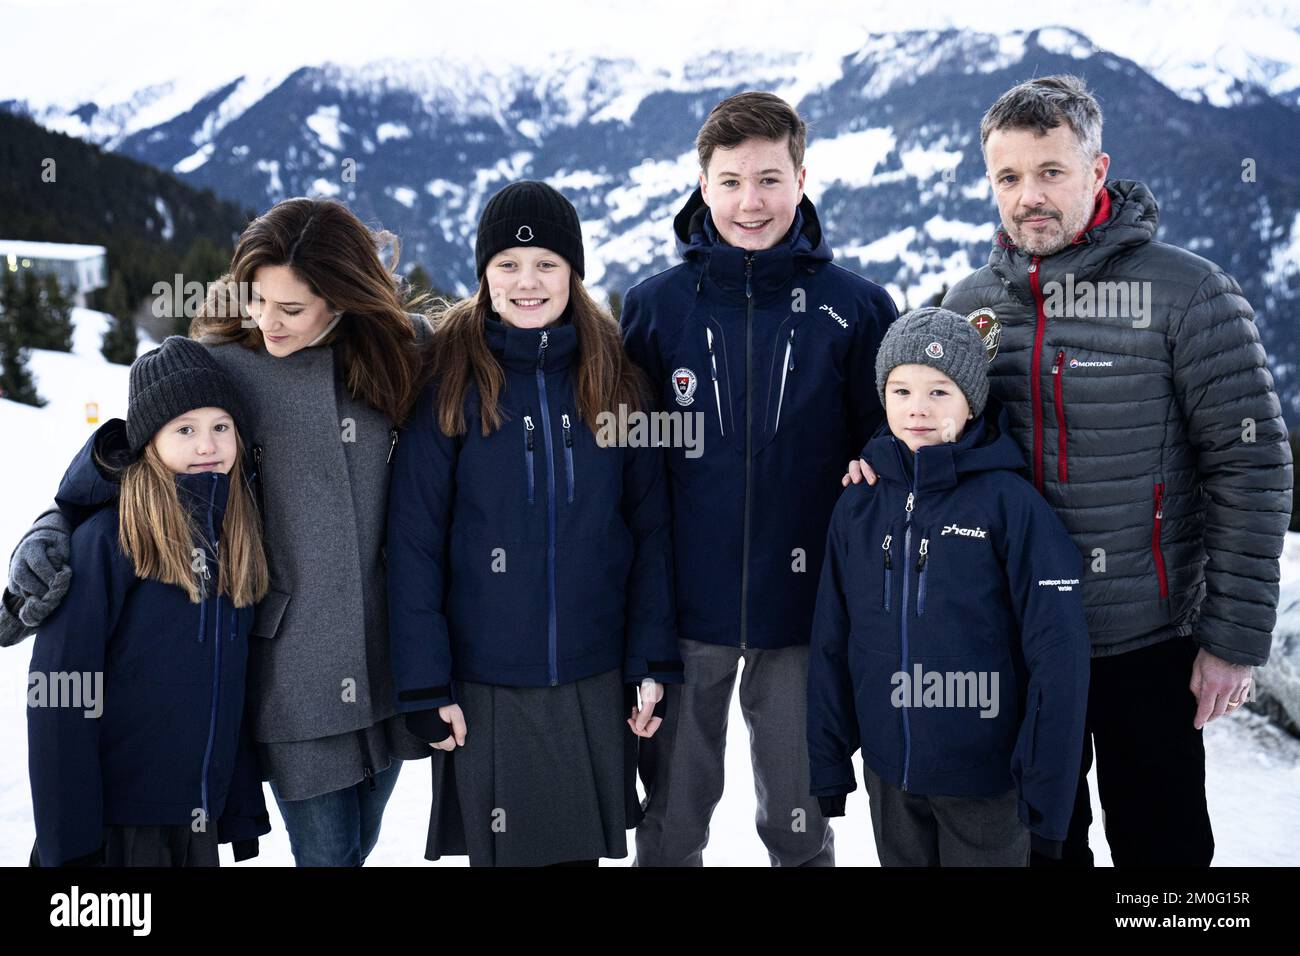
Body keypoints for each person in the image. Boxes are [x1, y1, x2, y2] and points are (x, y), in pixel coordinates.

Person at [845, 75, 1292, 866]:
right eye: (1009, 177)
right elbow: (941, 434)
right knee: (1044, 843)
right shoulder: (975, 305)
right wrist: (879, 469)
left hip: (1144, 641)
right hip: (1011, 638)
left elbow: (1252, 465)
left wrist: (1232, 639)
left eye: (1051, 171)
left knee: (1163, 849)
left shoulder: (1187, 294)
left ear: (1097, 169)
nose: (1030, 197)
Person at [6, 198, 434, 866]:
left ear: (344, 299)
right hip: (291, 672)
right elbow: (136, 453)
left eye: (291, 309)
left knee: (362, 845)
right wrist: (51, 525)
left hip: (388, 661)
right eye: (258, 300)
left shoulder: (401, 352)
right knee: (331, 859)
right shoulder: (227, 363)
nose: (268, 322)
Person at [620, 91, 898, 866]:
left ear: (802, 180)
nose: (752, 201)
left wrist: (875, 459)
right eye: (733, 181)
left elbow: (891, 433)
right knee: (671, 823)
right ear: (702, 185)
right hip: (684, 613)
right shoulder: (653, 310)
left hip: (803, 616)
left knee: (800, 824)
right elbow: (628, 468)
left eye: (771, 179)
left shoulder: (857, 308)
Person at [387, 180, 683, 867]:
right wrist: (427, 684)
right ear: (484, 274)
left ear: (573, 273)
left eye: (547, 264)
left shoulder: (616, 378)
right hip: (487, 683)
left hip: (594, 673)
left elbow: (648, 532)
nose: (528, 282)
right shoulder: (447, 382)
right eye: (508, 266)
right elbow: (413, 546)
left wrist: (648, 660)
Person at [808, 308, 1090, 866]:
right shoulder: (859, 504)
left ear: (972, 401)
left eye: (940, 391)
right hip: (891, 772)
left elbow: (1059, 656)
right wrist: (829, 760)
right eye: (901, 389)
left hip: (985, 780)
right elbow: (831, 640)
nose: (918, 408)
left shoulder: (1010, 506)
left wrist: (1048, 795)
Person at [27, 337, 271, 866]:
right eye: (184, 429)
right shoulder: (108, 541)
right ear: (148, 441)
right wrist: (69, 847)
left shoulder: (234, 539)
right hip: (115, 832)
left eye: (220, 427)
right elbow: (58, 702)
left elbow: (227, 690)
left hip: (193, 828)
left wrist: (238, 807)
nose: (207, 445)